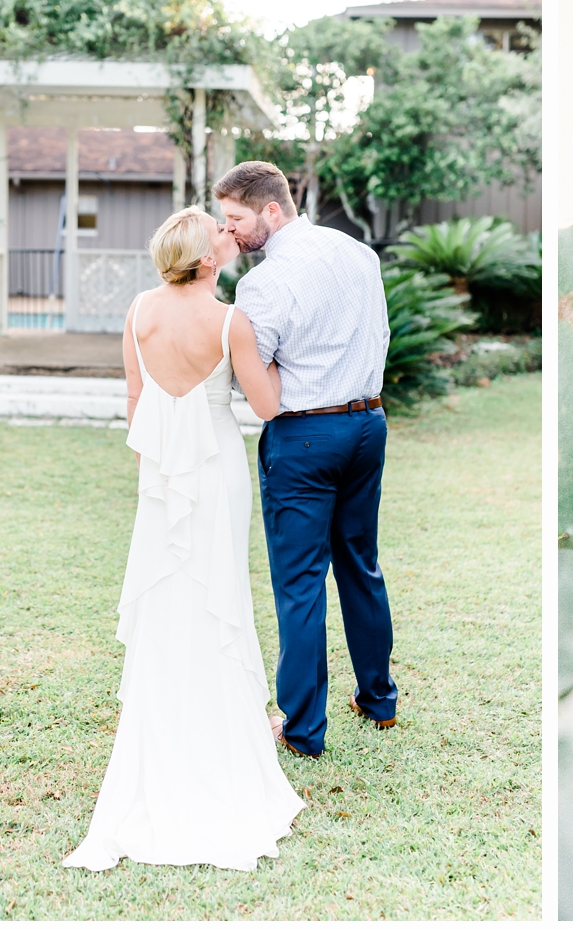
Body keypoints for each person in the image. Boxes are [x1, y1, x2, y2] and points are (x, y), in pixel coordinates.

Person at [63, 206, 304, 872]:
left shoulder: (139, 312)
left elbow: (137, 403)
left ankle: (168, 730)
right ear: (206, 260)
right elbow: (266, 405)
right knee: (218, 593)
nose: (230, 238)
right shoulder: (231, 321)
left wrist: (159, 479)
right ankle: (222, 743)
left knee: (169, 600)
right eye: (220, 235)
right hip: (216, 470)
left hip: (162, 478)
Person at [215, 161, 397, 760]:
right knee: (360, 564)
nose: (230, 231)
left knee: (299, 585)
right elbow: (379, 337)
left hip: (305, 438)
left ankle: (301, 729)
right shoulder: (358, 253)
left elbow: (260, 386)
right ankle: (378, 700)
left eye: (236, 219)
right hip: (368, 423)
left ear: (272, 209)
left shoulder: (263, 285)